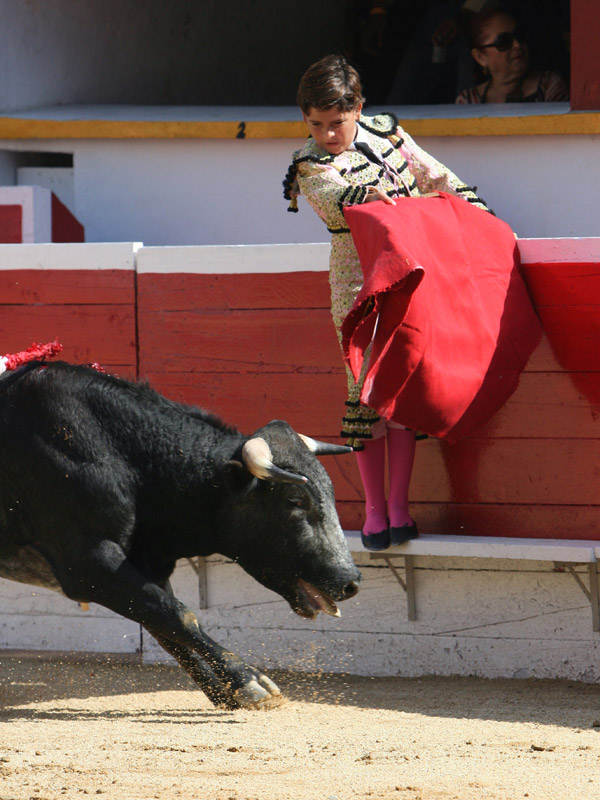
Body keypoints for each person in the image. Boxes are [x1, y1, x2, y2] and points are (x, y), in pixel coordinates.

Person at [282, 55, 493, 552]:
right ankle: (374, 513)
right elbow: (339, 197)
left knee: (400, 391)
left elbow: (434, 177)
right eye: (316, 124)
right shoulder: (309, 164)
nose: (328, 135)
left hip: (410, 278)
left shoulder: (389, 136)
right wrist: (369, 195)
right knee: (367, 394)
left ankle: (399, 508)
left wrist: (480, 215)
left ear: (358, 109)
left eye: (337, 123)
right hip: (357, 287)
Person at [456, 9, 569, 103]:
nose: (517, 45)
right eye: (504, 41)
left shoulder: (550, 86)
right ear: (480, 57)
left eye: (520, 35)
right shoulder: (468, 101)